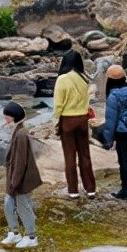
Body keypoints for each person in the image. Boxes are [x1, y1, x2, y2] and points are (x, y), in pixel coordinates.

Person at [52, 50, 97, 198]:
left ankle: (73, 191)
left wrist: (55, 123)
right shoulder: (84, 78)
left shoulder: (62, 79)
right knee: (85, 154)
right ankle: (90, 189)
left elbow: (58, 105)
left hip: (68, 120)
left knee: (70, 156)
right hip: (82, 120)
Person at [0, 102, 42, 248]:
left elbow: (20, 161)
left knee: (23, 206)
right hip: (15, 178)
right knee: (8, 204)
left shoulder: (21, 134)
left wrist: (14, 182)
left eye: (6, 116)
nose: (5, 119)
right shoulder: (17, 131)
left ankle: (31, 236)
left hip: (21, 179)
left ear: (12, 117)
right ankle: (14, 233)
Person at [101, 64, 127, 200]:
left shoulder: (113, 96)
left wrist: (107, 140)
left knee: (124, 160)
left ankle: (125, 191)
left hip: (123, 130)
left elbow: (110, 121)